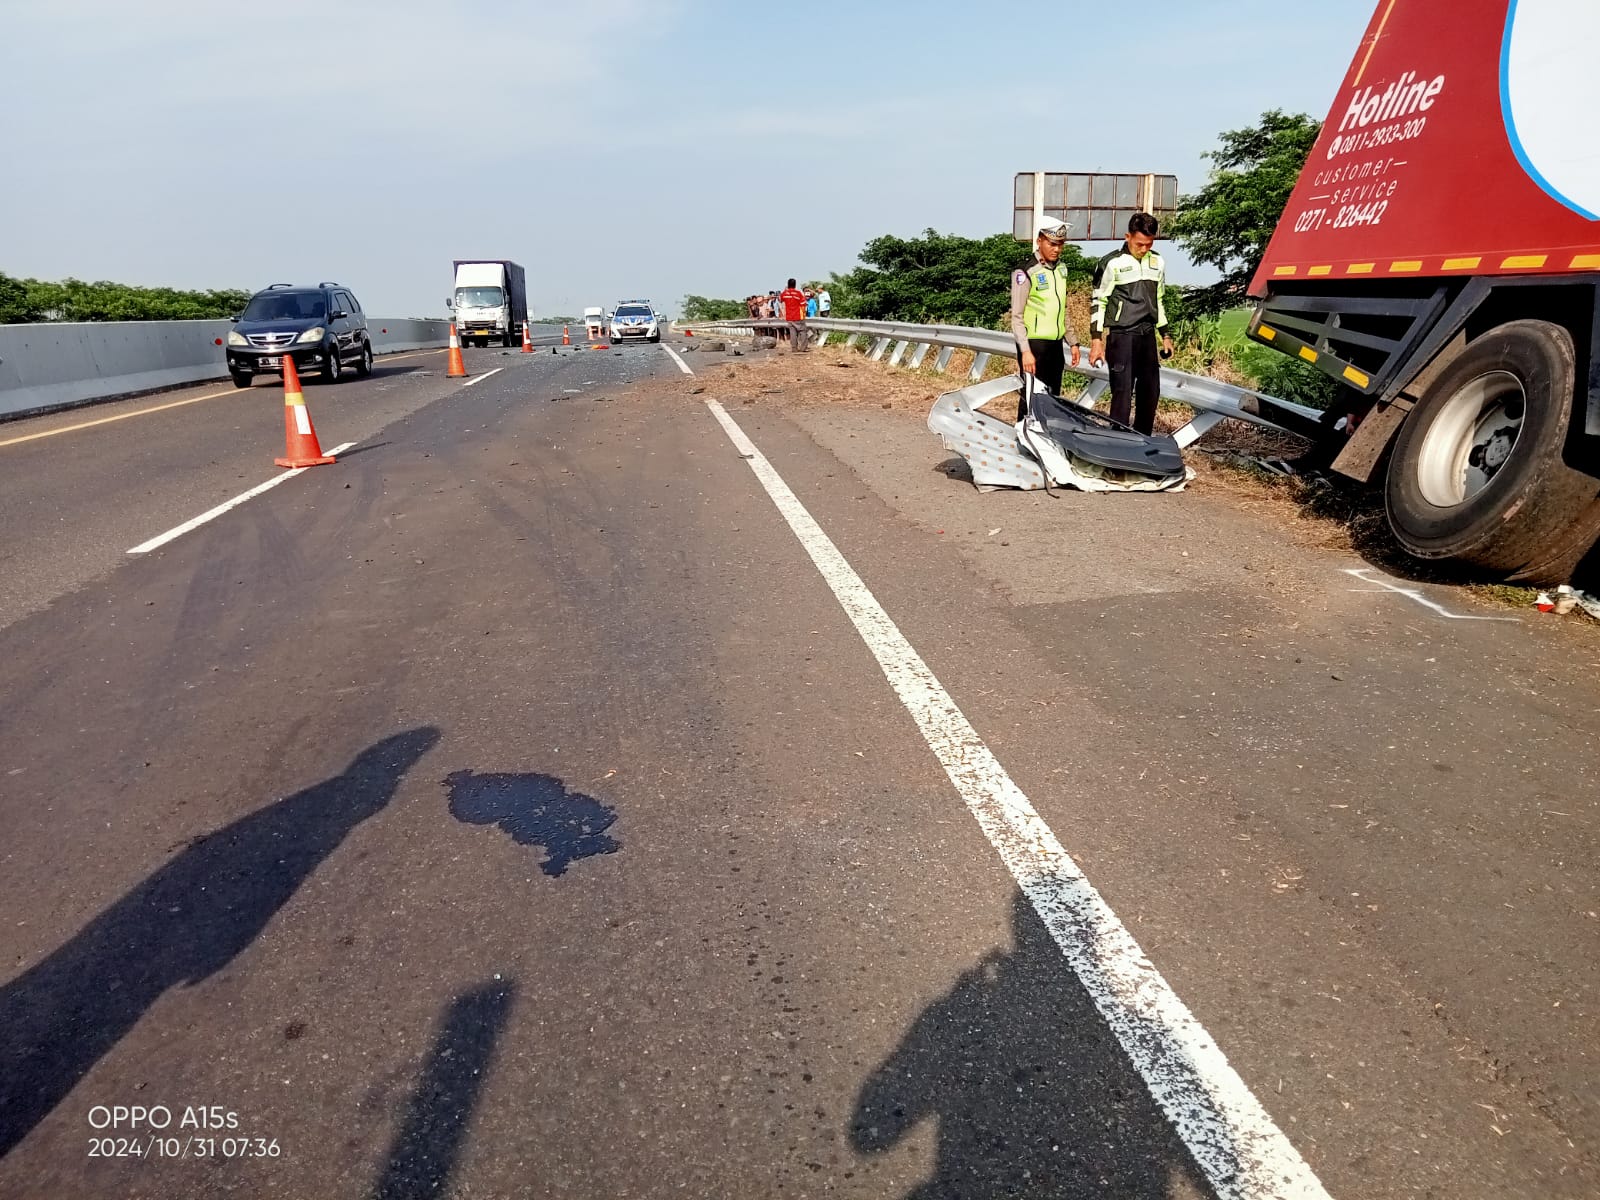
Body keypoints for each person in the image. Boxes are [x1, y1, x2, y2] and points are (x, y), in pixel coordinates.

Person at [1089, 212, 1174, 436]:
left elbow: (1159, 300)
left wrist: (1165, 335)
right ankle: (1117, 440)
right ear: (1128, 237)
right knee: (1123, 394)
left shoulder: (1157, 261)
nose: (1144, 249)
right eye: (1139, 244)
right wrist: (1096, 340)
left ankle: (1142, 440)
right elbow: (1099, 300)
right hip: (1122, 335)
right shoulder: (1111, 262)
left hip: (1146, 336)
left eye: (1149, 244)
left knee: (1150, 392)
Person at [1008, 217, 1081, 418]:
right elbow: (1017, 316)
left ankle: (1047, 438)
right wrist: (1025, 351)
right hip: (1034, 344)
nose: (1056, 249)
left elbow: (1062, 308)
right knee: (1032, 395)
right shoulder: (1025, 271)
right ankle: (1024, 437)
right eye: (1052, 244)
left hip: (1055, 344)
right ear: (1040, 241)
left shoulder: (1061, 270)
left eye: (1060, 244)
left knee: (1052, 397)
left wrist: (1073, 342)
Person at [779, 278, 807, 345]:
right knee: (802, 331)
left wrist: (785, 290)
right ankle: (803, 347)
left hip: (789, 317)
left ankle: (794, 348)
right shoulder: (798, 293)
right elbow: (803, 304)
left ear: (788, 285)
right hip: (798, 316)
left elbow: (780, 299)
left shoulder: (785, 294)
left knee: (792, 333)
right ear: (795, 285)